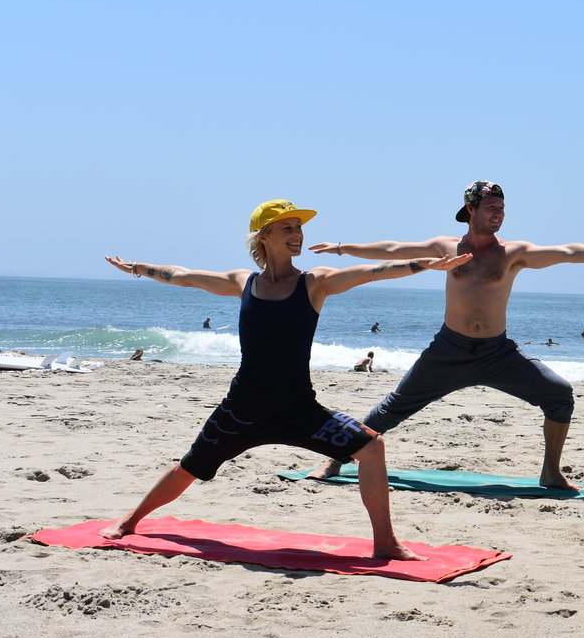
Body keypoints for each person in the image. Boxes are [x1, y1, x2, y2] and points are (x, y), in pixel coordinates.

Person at [100, 199, 468, 560]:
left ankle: (385, 543)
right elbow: (181, 276)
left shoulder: (314, 282)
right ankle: (130, 521)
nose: (298, 235)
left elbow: (374, 272)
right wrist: (136, 267)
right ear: (264, 236)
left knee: (371, 448)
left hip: (299, 410)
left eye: (299, 228)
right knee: (189, 467)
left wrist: (427, 265)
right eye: (287, 228)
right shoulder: (242, 282)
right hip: (242, 410)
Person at [308, 180, 584, 489]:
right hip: (449, 349)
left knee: (560, 395)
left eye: (502, 208)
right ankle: (336, 459)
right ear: (470, 209)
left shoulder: (512, 253)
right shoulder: (447, 247)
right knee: (391, 409)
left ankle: (551, 473)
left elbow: (568, 252)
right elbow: (392, 250)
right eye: (491, 207)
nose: (499, 214)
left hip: (497, 353)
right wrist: (342, 247)